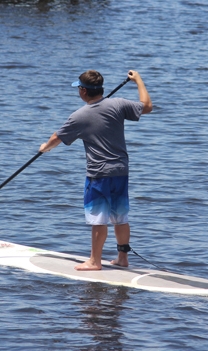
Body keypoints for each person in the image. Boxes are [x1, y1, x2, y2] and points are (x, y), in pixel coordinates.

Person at [39, 70, 153, 271]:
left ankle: (94, 261)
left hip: (99, 174)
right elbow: (147, 107)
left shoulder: (79, 116)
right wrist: (138, 80)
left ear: (83, 91)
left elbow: (56, 138)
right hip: (121, 170)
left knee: (98, 218)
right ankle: (122, 258)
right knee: (120, 216)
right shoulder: (118, 104)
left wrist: (44, 148)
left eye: (79, 88)